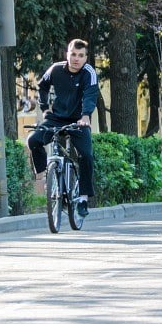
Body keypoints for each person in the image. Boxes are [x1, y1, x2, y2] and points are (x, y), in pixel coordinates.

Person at [28, 39, 99, 217]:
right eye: (73, 54)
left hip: (78, 120)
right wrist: (45, 108)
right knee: (33, 140)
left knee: (86, 155)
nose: (76, 58)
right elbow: (42, 86)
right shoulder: (56, 69)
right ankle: (46, 175)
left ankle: (83, 198)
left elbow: (90, 94)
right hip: (56, 118)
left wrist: (85, 115)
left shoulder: (88, 72)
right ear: (67, 54)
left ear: (85, 58)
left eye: (80, 55)